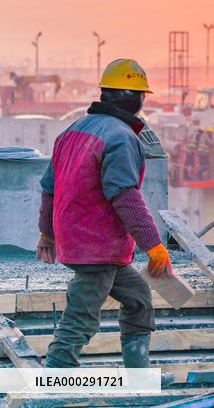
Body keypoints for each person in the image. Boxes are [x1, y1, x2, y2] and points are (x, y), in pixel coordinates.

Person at [36, 59, 172, 369]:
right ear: (134, 98)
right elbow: (124, 195)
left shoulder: (73, 130)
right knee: (81, 318)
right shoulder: (121, 137)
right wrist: (153, 244)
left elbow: (48, 188)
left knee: (138, 299)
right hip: (96, 246)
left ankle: (138, 376)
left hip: (84, 245)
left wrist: (47, 233)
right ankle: (54, 380)